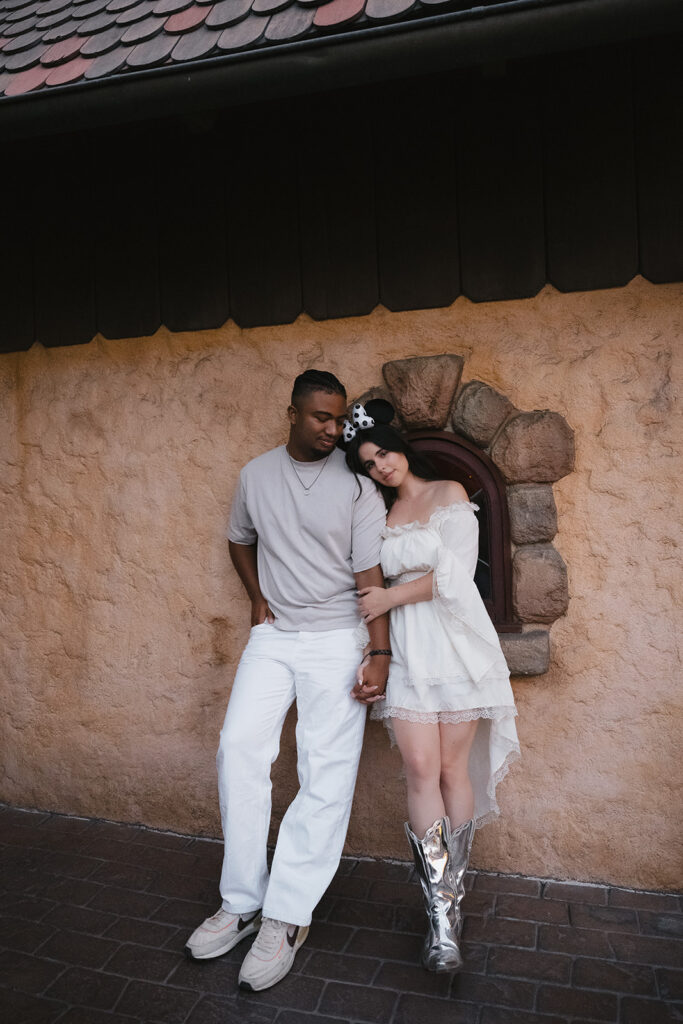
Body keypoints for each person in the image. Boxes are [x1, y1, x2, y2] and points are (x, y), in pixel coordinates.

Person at [185, 371, 390, 992]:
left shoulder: (357, 483)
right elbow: (238, 539)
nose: (333, 429)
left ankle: (285, 915)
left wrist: (379, 652)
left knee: (325, 770)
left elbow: (371, 577)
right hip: (274, 637)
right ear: (293, 414)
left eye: (340, 418)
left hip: (337, 638)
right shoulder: (255, 475)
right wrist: (255, 598)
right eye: (321, 418)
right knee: (239, 750)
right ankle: (242, 900)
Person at [344, 399, 520, 973]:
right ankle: (440, 914)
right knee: (420, 770)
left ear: (401, 447)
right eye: (369, 464)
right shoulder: (378, 513)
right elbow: (363, 576)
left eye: (385, 453)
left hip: (457, 645)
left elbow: (456, 574)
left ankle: (452, 907)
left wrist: (391, 594)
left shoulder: (448, 492)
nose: (381, 467)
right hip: (411, 652)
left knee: (452, 770)